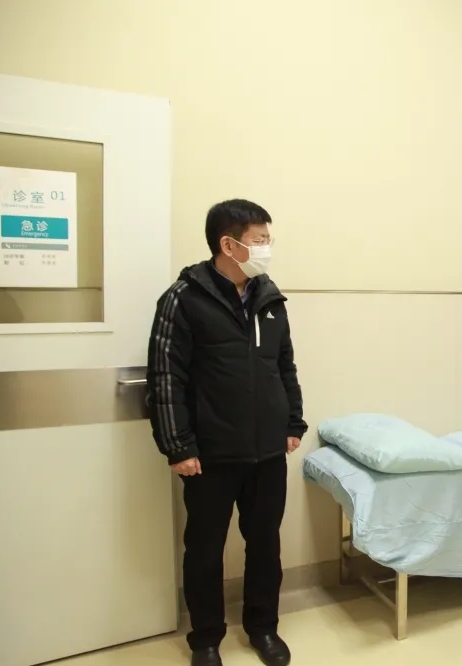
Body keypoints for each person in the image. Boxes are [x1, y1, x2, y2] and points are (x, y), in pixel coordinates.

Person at [146, 199, 307, 666]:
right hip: (210, 454)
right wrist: (178, 446)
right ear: (229, 244)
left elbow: (284, 366)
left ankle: (263, 628)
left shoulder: (269, 297)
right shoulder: (183, 298)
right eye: (260, 240)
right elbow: (165, 377)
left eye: (269, 239)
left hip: (267, 451)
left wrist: (293, 422)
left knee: (265, 545)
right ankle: (206, 640)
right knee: (204, 549)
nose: (267, 248)